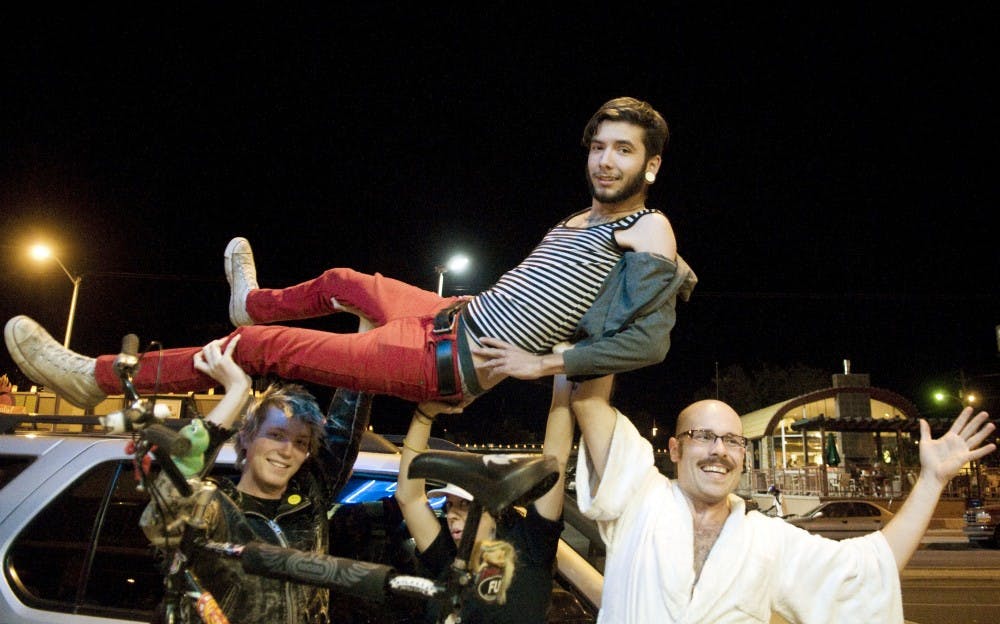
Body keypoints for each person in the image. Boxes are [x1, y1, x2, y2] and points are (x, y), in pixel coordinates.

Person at [4, 96, 696, 410]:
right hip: (451, 313)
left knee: (261, 352)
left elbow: (648, 342)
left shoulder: (648, 228)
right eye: (599, 147)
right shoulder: (579, 218)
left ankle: (97, 377)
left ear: (651, 165)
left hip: (446, 358)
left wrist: (542, 364)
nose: (606, 161)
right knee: (343, 280)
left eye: (623, 150)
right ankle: (249, 303)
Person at [568, 376, 997, 623]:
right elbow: (589, 402)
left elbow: (871, 566)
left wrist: (931, 480)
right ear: (675, 449)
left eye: (733, 440)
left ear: (743, 454)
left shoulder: (768, 540)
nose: (719, 450)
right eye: (704, 436)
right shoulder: (640, 498)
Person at [143, 334, 374, 624]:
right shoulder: (215, 506)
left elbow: (346, 421)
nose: (287, 451)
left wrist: (366, 338)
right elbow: (162, 511)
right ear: (246, 437)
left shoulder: (310, 498)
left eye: (300, 442)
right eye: (276, 435)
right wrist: (236, 392)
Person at [394, 374, 575, 623]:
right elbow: (409, 497)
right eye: (449, 506)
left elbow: (556, 458)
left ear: (495, 510)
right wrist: (423, 416)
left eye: (465, 504)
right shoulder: (450, 559)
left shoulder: (530, 546)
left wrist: (563, 372)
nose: (452, 515)